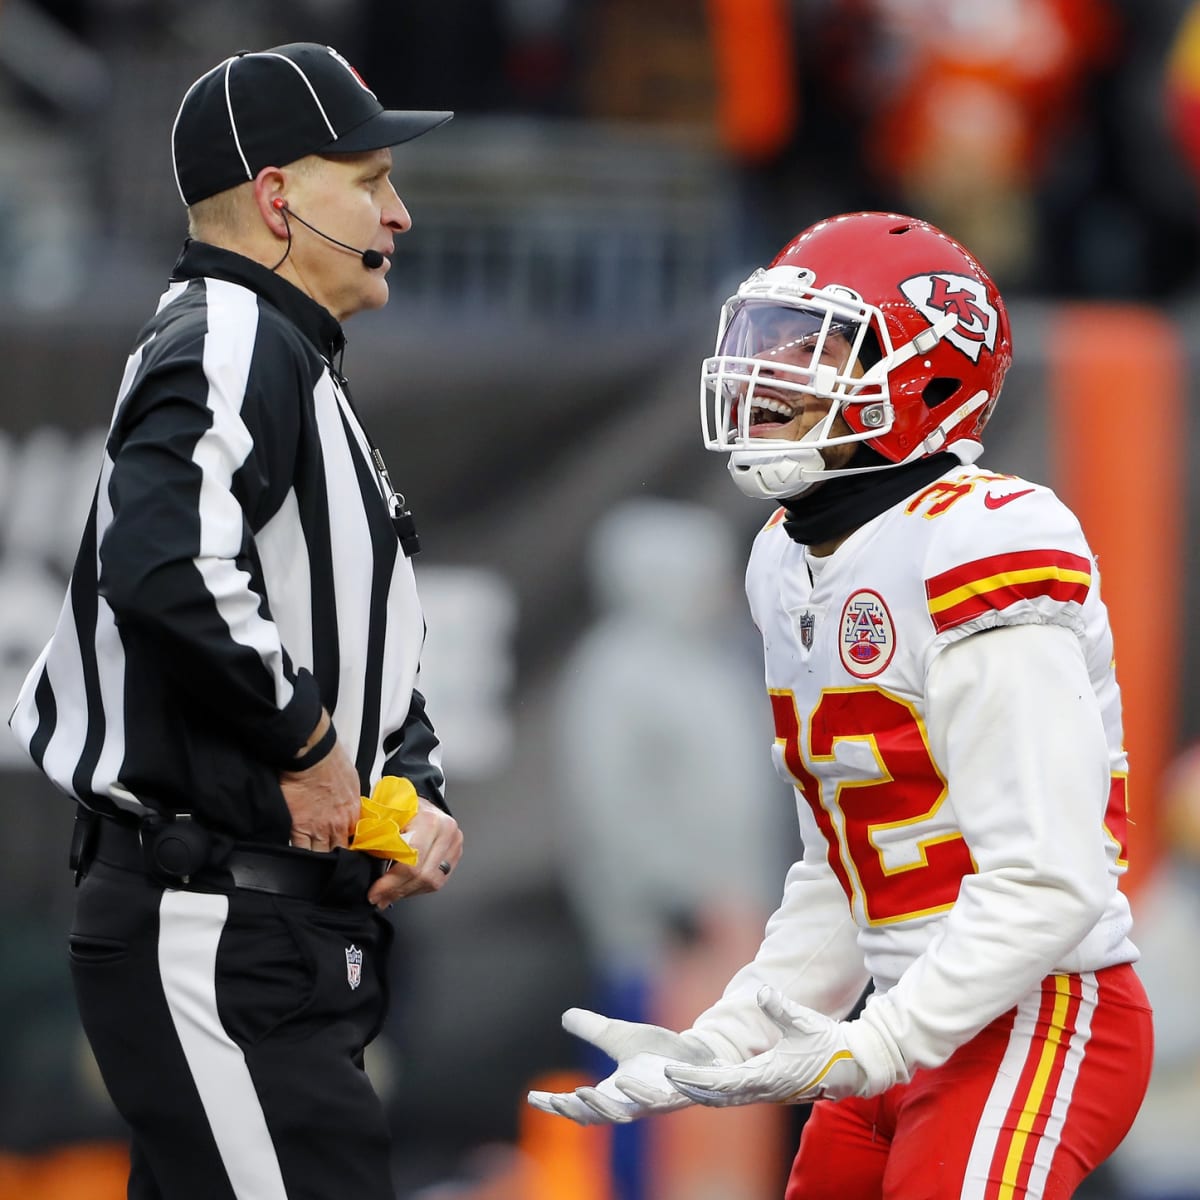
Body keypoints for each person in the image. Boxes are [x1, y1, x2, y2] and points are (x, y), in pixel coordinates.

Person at [529, 211, 1152, 1199]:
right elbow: (842, 867)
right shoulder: (787, 556)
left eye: (810, 349)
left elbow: (1052, 880)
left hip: (1034, 1015)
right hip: (896, 1016)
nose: (768, 374)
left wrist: (880, 1042)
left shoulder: (981, 541)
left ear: (929, 376)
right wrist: (729, 1033)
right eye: (766, 341)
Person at [8, 42, 462, 1200]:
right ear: (275, 200)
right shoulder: (228, 335)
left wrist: (408, 780)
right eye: (366, 181)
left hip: (267, 927)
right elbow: (162, 563)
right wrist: (310, 754)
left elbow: (356, 634)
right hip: (211, 917)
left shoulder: (290, 358)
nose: (398, 213)